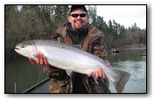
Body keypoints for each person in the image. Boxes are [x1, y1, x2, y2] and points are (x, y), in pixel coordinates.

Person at [29, 5, 111, 93]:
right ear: (69, 18)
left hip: (91, 88)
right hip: (64, 89)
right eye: (74, 15)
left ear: (87, 18)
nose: (78, 17)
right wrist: (47, 65)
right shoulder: (57, 37)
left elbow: (100, 59)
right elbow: (55, 75)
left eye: (82, 15)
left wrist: (98, 72)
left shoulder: (97, 37)